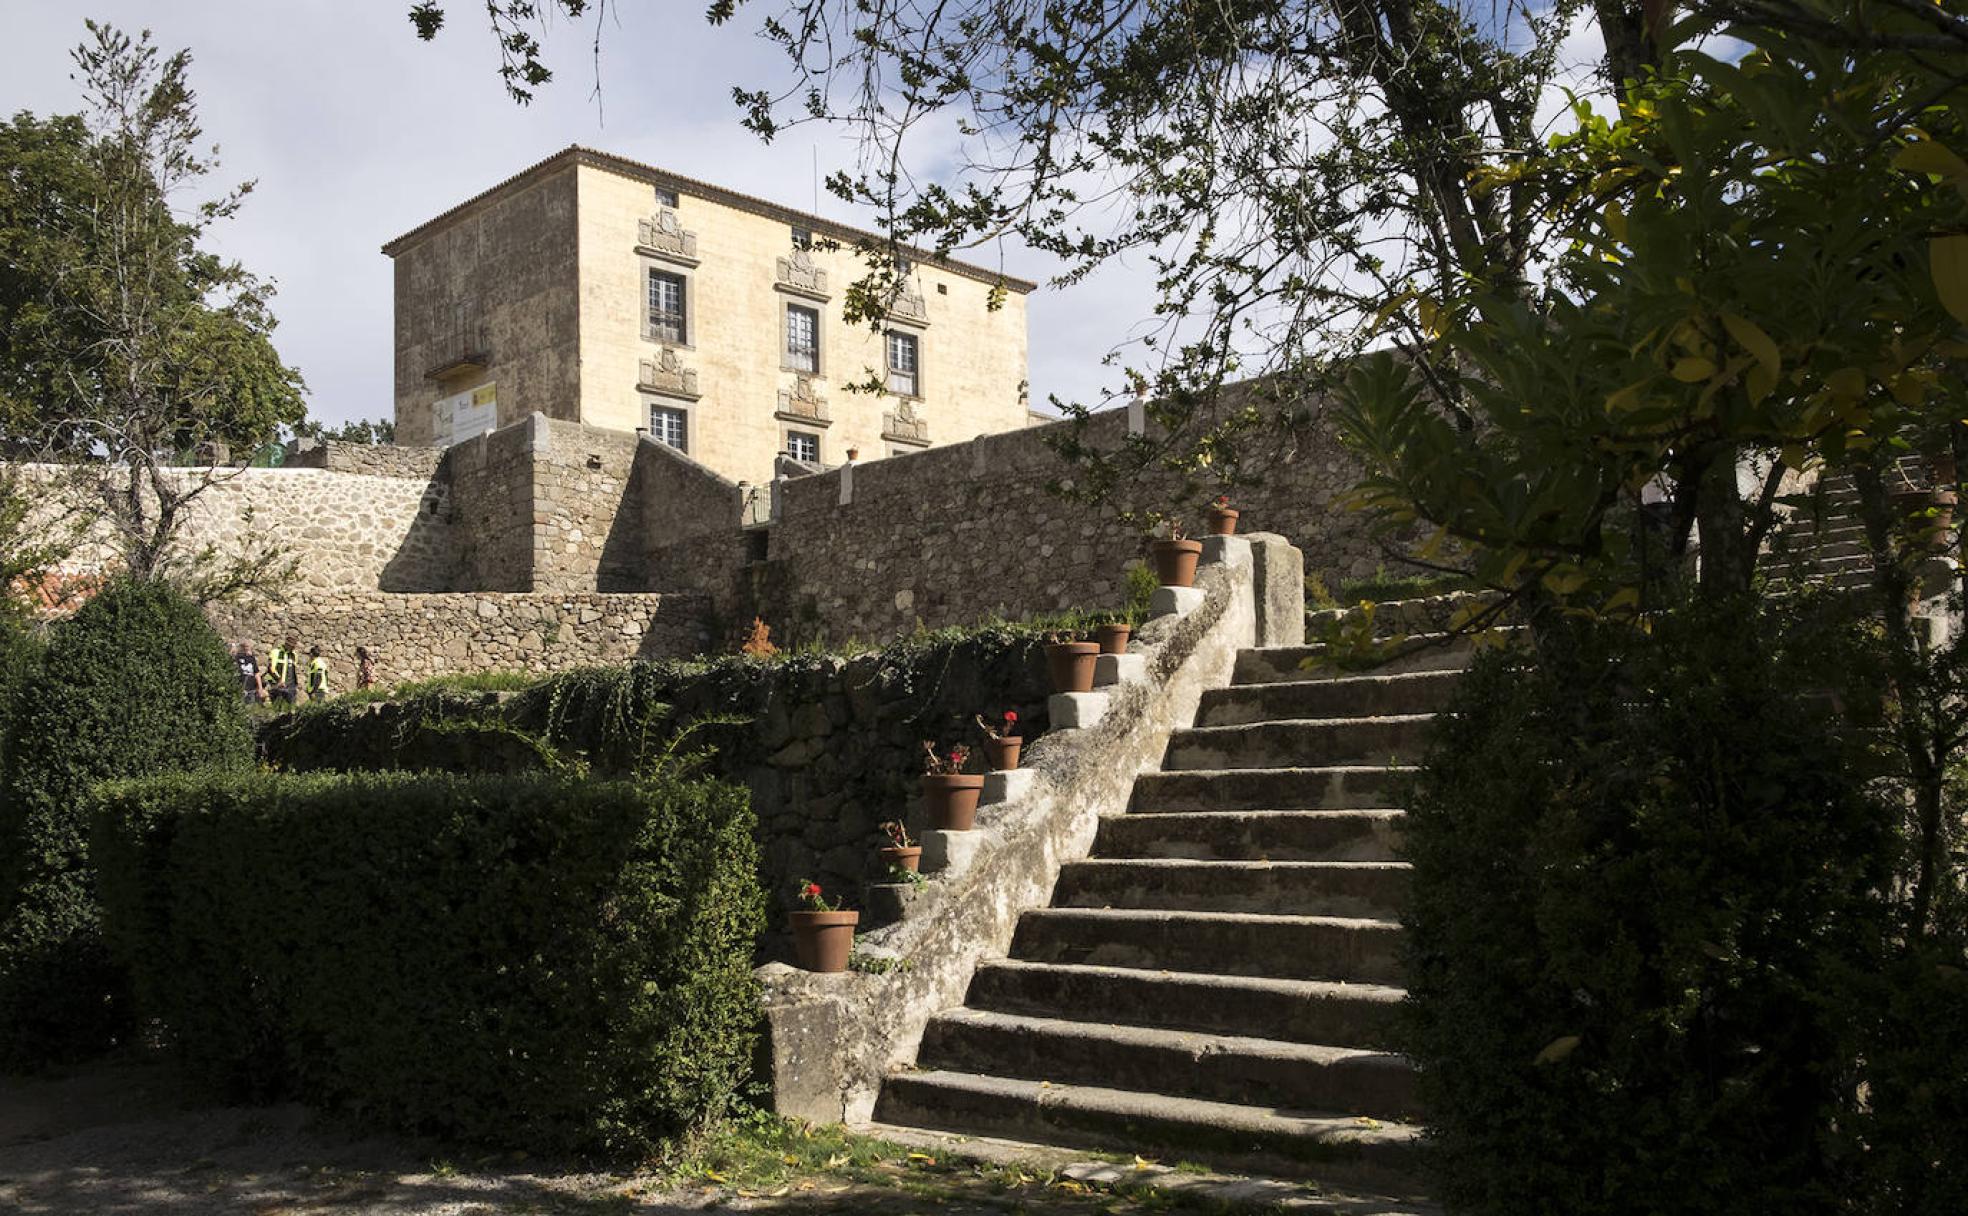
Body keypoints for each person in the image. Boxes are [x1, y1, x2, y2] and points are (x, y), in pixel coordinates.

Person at [267, 635, 300, 706]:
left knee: (291, 709)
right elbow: (270, 668)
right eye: (292, 646)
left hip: (291, 687)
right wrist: (279, 680)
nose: (293, 648)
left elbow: (293, 670)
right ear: (287, 644)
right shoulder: (276, 652)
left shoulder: (294, 655)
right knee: (277, 708)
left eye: (294, 646)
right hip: (278, 685)